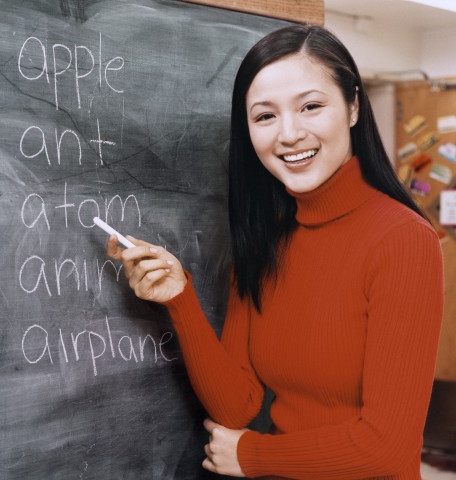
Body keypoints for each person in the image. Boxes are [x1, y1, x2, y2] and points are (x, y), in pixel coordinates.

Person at [107, 23, 444, 479]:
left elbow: (386, 447)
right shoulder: (267, 236)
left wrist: (252, 456)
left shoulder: (403, 240)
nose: (288, 134)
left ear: (353, 108)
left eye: (310, 107)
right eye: (265, 116)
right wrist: (178, 298)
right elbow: (237, 405)